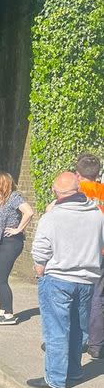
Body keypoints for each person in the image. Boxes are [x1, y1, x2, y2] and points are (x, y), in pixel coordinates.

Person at [28, 172, 104, 388]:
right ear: (79, 189)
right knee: (78, 331)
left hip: (58, 279)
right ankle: (74, 371)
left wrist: (40, 269)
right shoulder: (97, 215)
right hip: (87, 280)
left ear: (55, 191)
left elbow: (40, 249)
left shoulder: (52, 216)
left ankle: (55, 378)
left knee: (57, 330)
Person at [0, 171, 34, 325]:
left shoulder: (14, 197)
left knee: (2, 279)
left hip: (11, 242)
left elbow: (29, 212)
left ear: (2, 183)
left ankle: (9, 315)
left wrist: (18, 229)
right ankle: (2, 311)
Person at [74, 153, 104, 360]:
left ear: (77, 174)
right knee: (98, 298)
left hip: (78, 251)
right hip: (101, 251)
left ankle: (76, 339)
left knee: (74, 296)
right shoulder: (102, 193)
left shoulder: (73, 192)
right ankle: (96, 345)